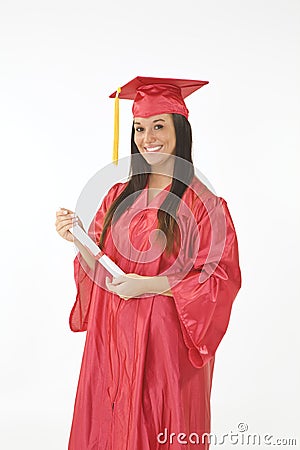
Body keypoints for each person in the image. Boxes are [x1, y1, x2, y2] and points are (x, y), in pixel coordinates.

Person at [55, 76, 241, 450]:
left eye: (159, 126)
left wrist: (152, 285)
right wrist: (76, 237)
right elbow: (101, 265)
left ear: (180, 131)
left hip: (167, 343)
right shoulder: (117, 196)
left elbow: (220, 277)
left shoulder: (204, 204)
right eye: (140, 128)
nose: (148, 137)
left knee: (163, 422)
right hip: (112, 340)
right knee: (110, 424)